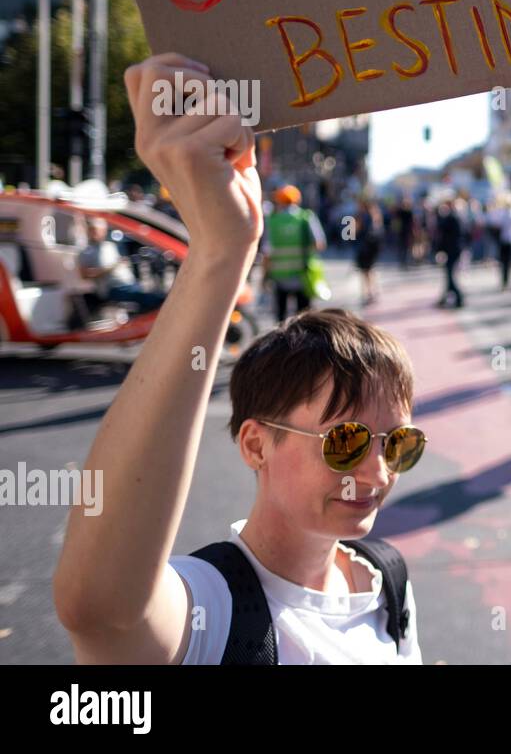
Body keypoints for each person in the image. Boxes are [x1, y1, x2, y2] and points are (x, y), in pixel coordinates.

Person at [53, 52, 424, 664]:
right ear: (255, 445)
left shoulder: (388, 579)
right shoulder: (213, 612)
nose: (380, 473)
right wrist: (222, 252)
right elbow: (101, 610)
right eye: (349, 441)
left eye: (400, 444)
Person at [77, 215, 168, 317]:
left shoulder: (110, 246)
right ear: (88, 231)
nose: (97, 233)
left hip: (129, 284)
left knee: (153, 296)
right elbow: (84, 275)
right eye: (94, 230)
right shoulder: (85, 252)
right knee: (153, 299)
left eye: (100, 230)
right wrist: (111, 267)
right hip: (112, 289)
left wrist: (122, 263)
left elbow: (118, 264)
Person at [263, 184, 326, 324]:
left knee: (281, 320)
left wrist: (265, 275)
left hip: (279, 277)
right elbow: (319, 244)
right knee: (304, 319)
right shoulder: (306, 218)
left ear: (278, 201)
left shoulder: (272, 221)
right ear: (297, 200)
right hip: (302, 275)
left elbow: (266, 251)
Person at [354, 194, 384, 307]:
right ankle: (372, 292)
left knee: (365, 271)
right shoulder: (375, 215)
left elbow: (352, 232)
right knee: (370, 270)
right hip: (372, 248)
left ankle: (367, 293)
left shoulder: (362, 216)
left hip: (365, 247)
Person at [433, 198, 464, 308]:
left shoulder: (452, 218)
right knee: (448, 275)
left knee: (450, 276)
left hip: (453, 251)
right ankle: (444, 299)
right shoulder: (452, 218)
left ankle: (459, 298)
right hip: (452, 250)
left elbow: (445, 234)